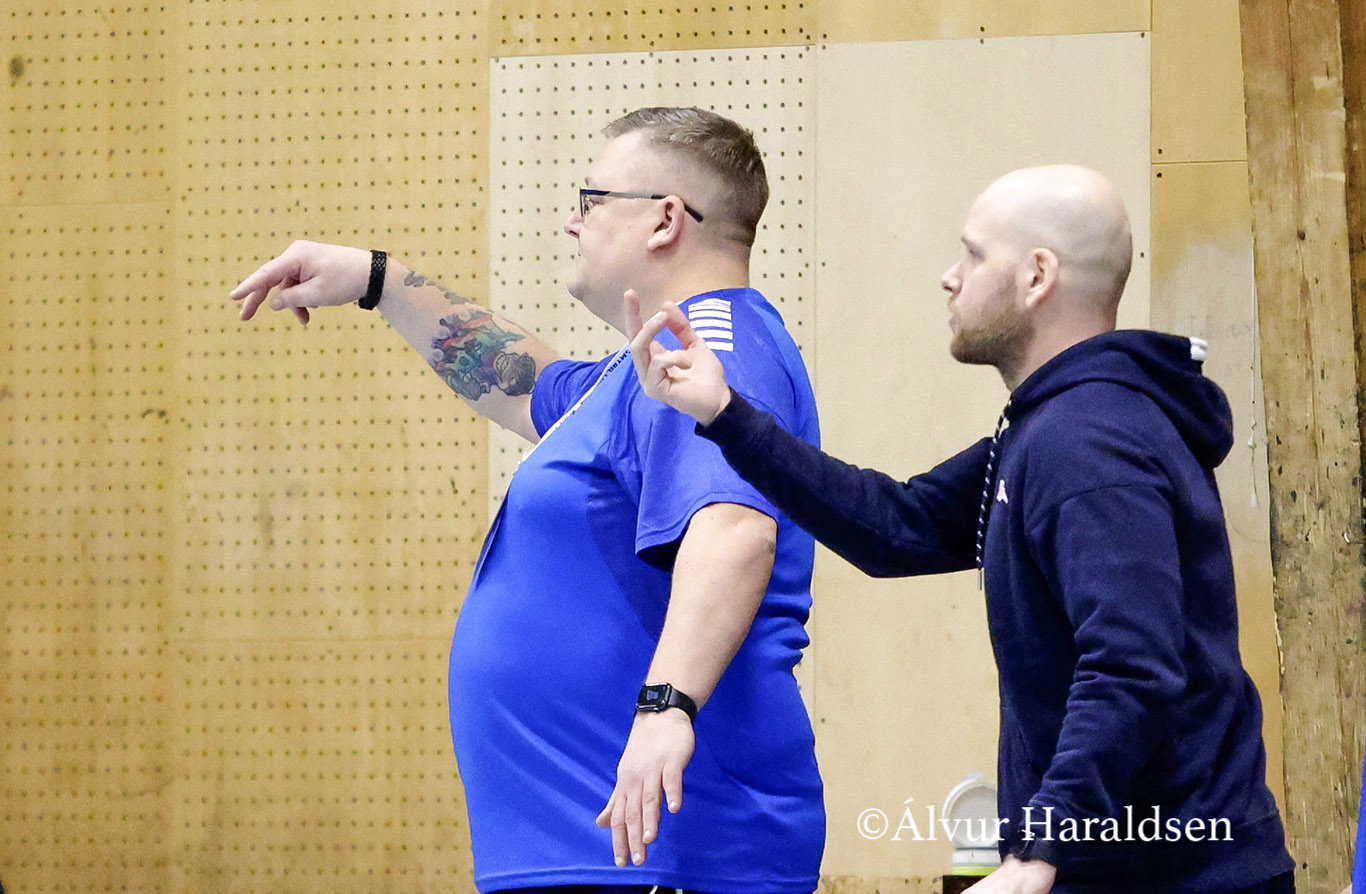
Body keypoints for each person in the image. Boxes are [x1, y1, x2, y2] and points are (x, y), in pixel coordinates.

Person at [628, 165, 1296, 894]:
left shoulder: (1089, 442)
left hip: (1174, 875)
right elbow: (899, 526)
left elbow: (1132, 665)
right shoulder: (1050, 427)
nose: (949, 277)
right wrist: (725, 413)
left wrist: (1039, 850)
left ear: (1037, 276)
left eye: (974, 255)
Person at [230, 107, 824, 894]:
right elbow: (522, 382)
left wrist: (664, 709)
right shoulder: (638, 373)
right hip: (606, 850)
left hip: (670, 851)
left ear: (664, 219)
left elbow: (735, 532)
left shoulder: (709, 342)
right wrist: (378, 280)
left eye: (591, 200)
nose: (571, 222)